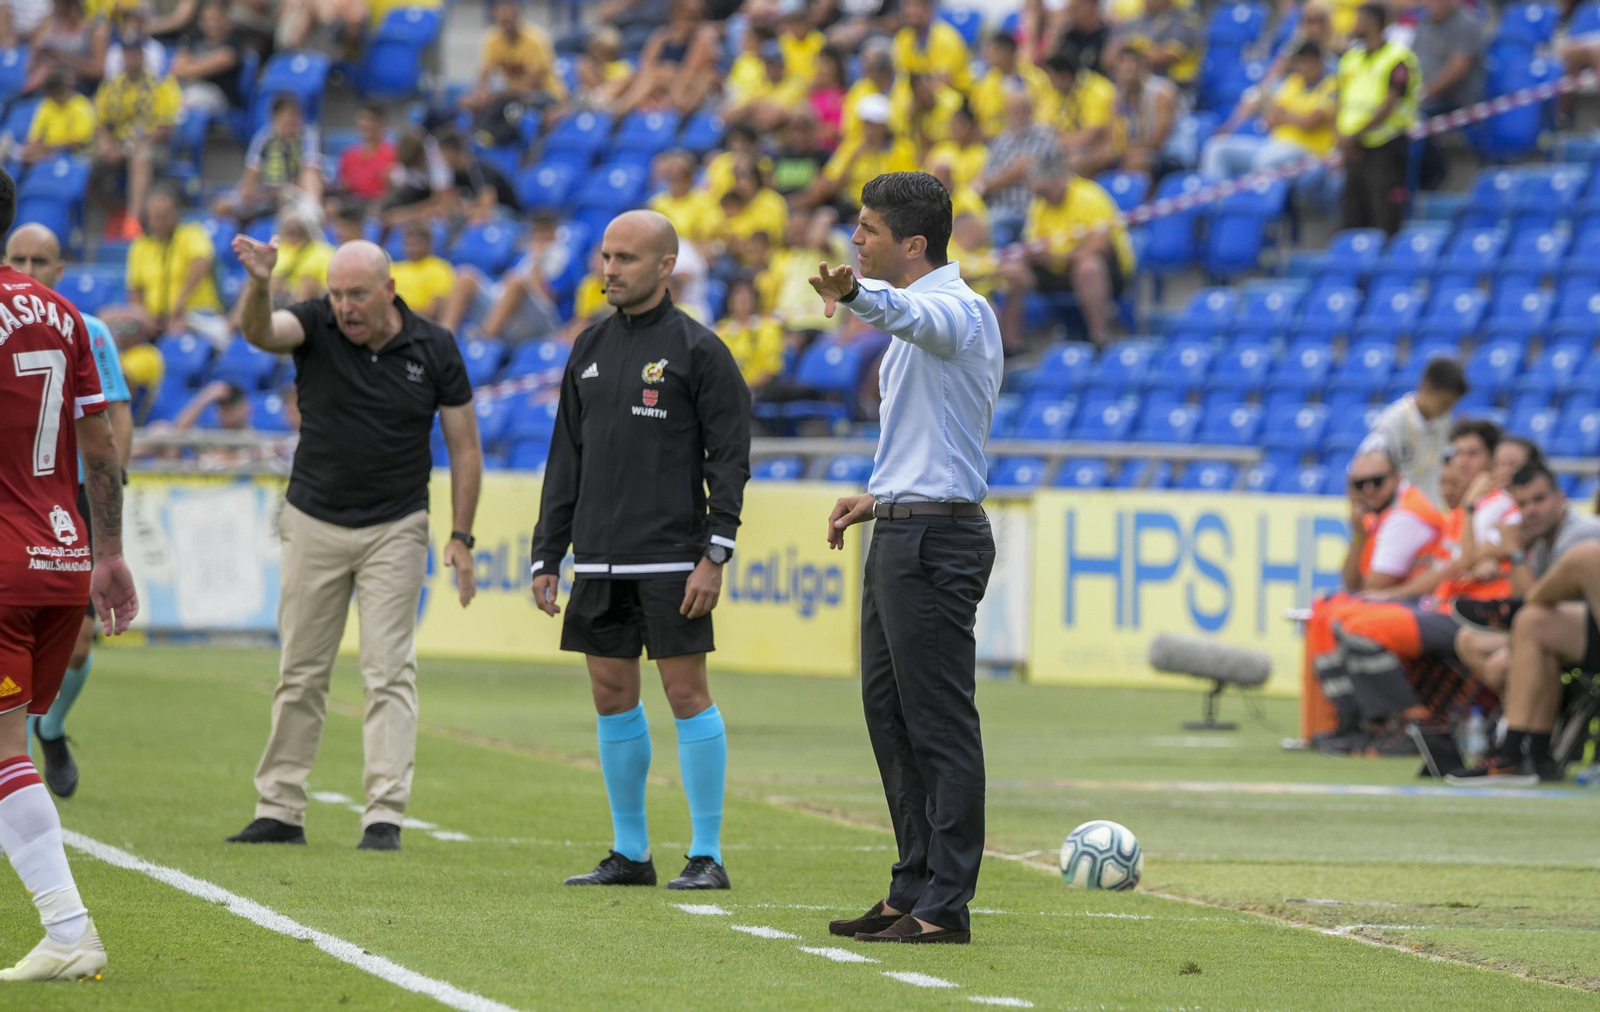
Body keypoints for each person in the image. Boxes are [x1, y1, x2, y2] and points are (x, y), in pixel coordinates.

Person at [223, 236, 482, 851]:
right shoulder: (312, 324)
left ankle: (384, 814)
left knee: (389, 671)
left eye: (357, 294)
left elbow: (466, 446)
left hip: (396, 526)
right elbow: (260, 333)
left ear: (390, 290)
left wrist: (461, 535)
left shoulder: (435, 347)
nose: (345, 307)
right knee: (300, 671)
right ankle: (279, 808)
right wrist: (260, 282)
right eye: (337, 294)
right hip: (313, 518)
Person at [529, 209, 751, 891]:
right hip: (597, 557)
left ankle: (706, 854)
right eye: (605, 257)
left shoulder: (699, 351)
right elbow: (565, 456)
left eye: (626, 259)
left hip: (673, 559)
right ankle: (631, 853)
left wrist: (715, 551)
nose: (610, 270)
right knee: (609, 694)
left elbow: (730, 458)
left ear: (665, 267)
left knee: (686, 694)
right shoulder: (587, 347)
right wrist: (548, 553)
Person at [809, 171, 1002, 945]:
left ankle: (946, 904)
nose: (856, 237)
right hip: (904, 525)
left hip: (937, 538)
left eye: (868, 229)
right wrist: (879, 497)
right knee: (890, 715)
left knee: (939, 721)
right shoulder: (926, 318)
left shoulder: (960, 310)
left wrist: (856, 296)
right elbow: (930, 439)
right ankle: (912, 882)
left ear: (912, 244)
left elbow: (911, 316)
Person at [0, 167, 138, 981]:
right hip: (57, 560)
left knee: (4, 751)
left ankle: (68, 928)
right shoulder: (64, 315)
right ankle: (65, 929)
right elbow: (99, 446)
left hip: (2, 571)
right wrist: (107, 552)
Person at [5, 223, 132, 800]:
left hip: (69, 499)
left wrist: (107, 501)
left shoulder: (89, 330)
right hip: (19, 495)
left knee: (79, 643)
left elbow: (112, 421)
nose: (29, 269)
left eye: (41, 260)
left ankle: (48, 733)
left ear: (61, 268)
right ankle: (25, 756)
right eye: (19, 258)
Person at [1447, 462, 1600, 784]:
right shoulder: (1544, 540)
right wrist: (1513, 551)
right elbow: (1468, 562)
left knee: (1534, 619)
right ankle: (1536, 756)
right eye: (1524, 504)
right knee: (1503, 631)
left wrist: (1515, 555)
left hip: (1587, 629)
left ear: (1561, 498)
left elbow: (1557, 608)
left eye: (1540, 499)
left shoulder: (1581, 532)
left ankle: (1512, 752)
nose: (1532, 510)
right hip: (1580, 634)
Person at [1000, 168, 1135, 350]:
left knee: (1088, 267)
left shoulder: (1088, 197)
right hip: (1056, 268)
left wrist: (1059, 257)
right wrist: (1034, 252)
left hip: (1105, 270)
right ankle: (1012, 345)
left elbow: (1100, 246)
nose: (1043, 197)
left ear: (1059, 180)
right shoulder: (1040, 203)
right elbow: (1030, 241)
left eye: (1046, 192)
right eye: (1039, 193)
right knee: (1014, 270)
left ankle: (1100, 339)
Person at [1336, 3, 1420, 236]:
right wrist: (1341, 138)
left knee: (1385, 217)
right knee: (1352, 215)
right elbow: (1340, 100)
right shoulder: (1351, 58)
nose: (1354, 24)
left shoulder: (1398, 57)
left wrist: (1355, 135)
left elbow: (1390, 104)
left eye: (1359, 19)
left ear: (1373, 22)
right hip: (1353, 149)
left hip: (1386, 146)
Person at [1201, 42, 1336, 181]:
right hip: (1272, 144)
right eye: (1298, 62)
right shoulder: (1295, 82)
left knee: (1265, 161)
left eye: (1305, 62)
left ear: (1318, 62)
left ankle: (1248, 202)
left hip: (1307, 151)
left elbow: (1309, 123)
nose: (1301, 67)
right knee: (1217, 148)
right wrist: (1294, 118)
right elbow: (1269, 119)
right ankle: (1214, 202)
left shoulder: (1331, 84)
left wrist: (1286, 116)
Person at [91, 35, 177, 237]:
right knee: (84, 166)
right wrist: (106, 144)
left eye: (135, 53)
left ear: (142, 56)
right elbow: (100, 123)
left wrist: (127, 147)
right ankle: (114, 211)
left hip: (152, 146)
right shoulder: (111, 87)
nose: (130, 58)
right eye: (126, 53)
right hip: (117, 145)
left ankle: (133, 220)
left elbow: (164, 128)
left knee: (140, 157)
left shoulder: (160, 85)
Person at [1359, 356, 1467, 507]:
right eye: (1444, 403)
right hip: (1397, 515)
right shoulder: (1392, 423)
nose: (1447, 410)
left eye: (1452, 405)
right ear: (1426, 388)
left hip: (1430, 513)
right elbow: (1361, 469)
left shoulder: (1444, 421)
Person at [121, 187, 224, 338]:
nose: (159, 223)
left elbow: (201, 262)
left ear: (176, 214)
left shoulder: (192, 232)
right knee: (112, 323)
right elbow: (135, 290)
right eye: (154, 218)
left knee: (177, 331)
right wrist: (144, 317)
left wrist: (178, 304)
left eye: (164, 217)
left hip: (194, 313)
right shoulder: (140, 245)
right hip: (154, 319)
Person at [215, 93, 324, 223]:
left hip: (296, 194)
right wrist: (252, 193)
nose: (294, 120)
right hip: (266, 195)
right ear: (275, 117)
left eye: (297, 115)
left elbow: (310, 172)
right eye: (289, 115)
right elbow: (250, 178)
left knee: (304, 184)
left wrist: (288, 191)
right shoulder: (264, 138)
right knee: (221, 206)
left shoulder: (308, 136)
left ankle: (313, 216)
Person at [975, 85, 1063, 246]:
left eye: (1021, 110)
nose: (1016, 116)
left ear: (1031, 111)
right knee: (976, 229)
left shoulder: (1045, 137)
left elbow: (1046, 175)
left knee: (993, 228)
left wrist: (999, 179)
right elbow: (982, 184)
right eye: (1012, 111)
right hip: (997, 208)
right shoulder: (1000, 142)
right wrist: (1011, 174)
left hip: (1031, 210)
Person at [1411, 0, 1483, 191]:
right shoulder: (1424, 23)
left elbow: (1458, 69)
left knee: (1415, 118)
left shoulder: (1466, 24)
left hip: (1455, 100)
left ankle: (1434, 175)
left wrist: (1422, 93)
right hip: (1423, 99)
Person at [808, 93, 917, 216]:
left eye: (875, 124)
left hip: (886, 209)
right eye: (867, 123)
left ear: (885, 126)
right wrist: (853, 160)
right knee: (824, 216)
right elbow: (831, 185)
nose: (870, 129)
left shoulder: (902, 148)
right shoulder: (852, 145)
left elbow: (906, 190)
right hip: (853, 205)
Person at [465, 0, 563, 115]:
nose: (507, 16)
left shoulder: (536, 40)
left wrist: (498, 95)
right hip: (514, 96)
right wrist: (480, 94)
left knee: (504, 106)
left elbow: (531, 84)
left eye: (510, 11)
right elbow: (484, 75)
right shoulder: (493, 39)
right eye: (502, 12)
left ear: (518, 12)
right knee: (468, 102)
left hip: (545, 95)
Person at [1108, 40, 1182, 177]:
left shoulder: (1162, 93)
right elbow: (1115, 136)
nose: (1128, 71)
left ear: (1143, 67)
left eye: (1132, 67)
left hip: (1172, 150)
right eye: (1123, 67)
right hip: (1135, 148)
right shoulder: (1117, 96)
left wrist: (1127, 150)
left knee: (1137, 161)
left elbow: (1158, 141)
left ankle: (1139, 197)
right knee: (1094, 159)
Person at [170, 1, 245, 116]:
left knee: (189, 101)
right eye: (206, 19)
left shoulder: (234, 42)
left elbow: (222, 61)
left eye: (215, 18)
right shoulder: (194, 37)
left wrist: (190, 65)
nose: (211, 24)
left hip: (218, 95)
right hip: (188, 87)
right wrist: (203, 63)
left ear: (226, 19)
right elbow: (176, 70)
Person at [970, 31, 1049, 139]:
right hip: (994, 140)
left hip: (1032, 138)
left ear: (1007, 52)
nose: (988, 54)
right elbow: (979, 119)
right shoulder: (984, 84)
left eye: (993, 50)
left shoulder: (1036, 78)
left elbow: (1044, 111)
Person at [1109, 0, 1202, 87]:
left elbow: (1169, 55)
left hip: (1173, 86)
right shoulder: (1133, 21)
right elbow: (1108, 57)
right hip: (1132, 88)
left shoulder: (1182, 19)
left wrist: (1131, 52)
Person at [21, 68, 95, 168]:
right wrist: (35, 147)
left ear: (67, 88)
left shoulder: (81, 105)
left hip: (71, 154)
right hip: (46, 150)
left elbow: (80, 143)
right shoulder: (46, 104)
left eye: (60, 93)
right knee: (27, 154)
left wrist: (52, 148)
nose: (57, 98)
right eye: (54, 94)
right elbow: (35, 136)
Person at [892, 0, 971, 93]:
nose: (910, 11)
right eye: (907, 5)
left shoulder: (947, 39)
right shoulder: (902, 38)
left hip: (955, 95)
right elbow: (901, 77)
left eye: (916, 6)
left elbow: (941, 83)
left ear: (929, 9)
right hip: (919, 95)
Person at [390, 221, 455, 321]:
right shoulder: (394, 268)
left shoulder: (440, 269)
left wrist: (399, 313)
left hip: (418, 323)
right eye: (408, 244)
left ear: (428, 244)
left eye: (416, 244)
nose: (412, 249)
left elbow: (433, 310)